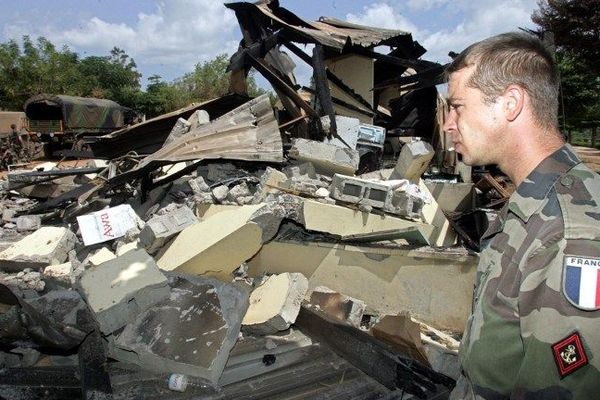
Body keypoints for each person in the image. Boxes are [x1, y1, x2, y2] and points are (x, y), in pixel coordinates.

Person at [444, 32, 600, 399]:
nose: (449, 123)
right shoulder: (534, 202)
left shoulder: (567, 233)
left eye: (458, 106)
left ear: (511, 103)